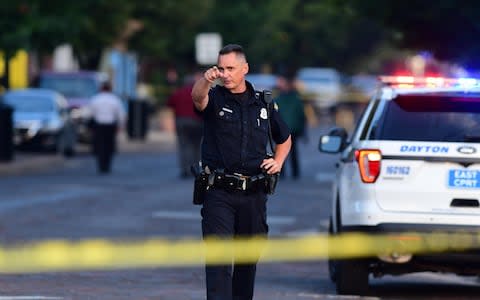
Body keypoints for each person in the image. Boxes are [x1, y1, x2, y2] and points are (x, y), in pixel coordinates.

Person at [191, 44, 292, 300]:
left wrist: (278, 161)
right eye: (221, 68)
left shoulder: (264, 103)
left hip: (254, 194)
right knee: (219, 261)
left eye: (230, 68)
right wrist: (205, 80)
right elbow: (197, 99)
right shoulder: (215, 99)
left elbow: (285, 137)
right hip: (219, 192)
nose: (225, 73)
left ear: (244, 69)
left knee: (247, 261)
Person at [167, 72, 203, 178]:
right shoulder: (198, 93)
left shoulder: (178, 92)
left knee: (184, 146)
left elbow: (170, 104)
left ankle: (185, 169)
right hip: (198, 121)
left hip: (181, 121)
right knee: (197, 146)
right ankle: (197, 169)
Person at [89, 81, 126, 174]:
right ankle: (107, 165)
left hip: (99, 125)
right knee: (109, 146)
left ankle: (101, 165)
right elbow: (121, 114)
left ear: (101, 88)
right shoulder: (115, 99)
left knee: (100, 145)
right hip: (110, 125)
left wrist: (90, 125)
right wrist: (121, 125)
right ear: (110, 89)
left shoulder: (95, 99)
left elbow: (90, 113)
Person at [275, 72, 306, 179]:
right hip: (283, 129)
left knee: (291, 152)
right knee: (281, 151)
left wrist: (302, 130)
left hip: (292, 130)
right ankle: (281, 171)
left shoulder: (293, 99)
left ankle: (294, 172)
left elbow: (301, 116)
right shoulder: (280, 98)